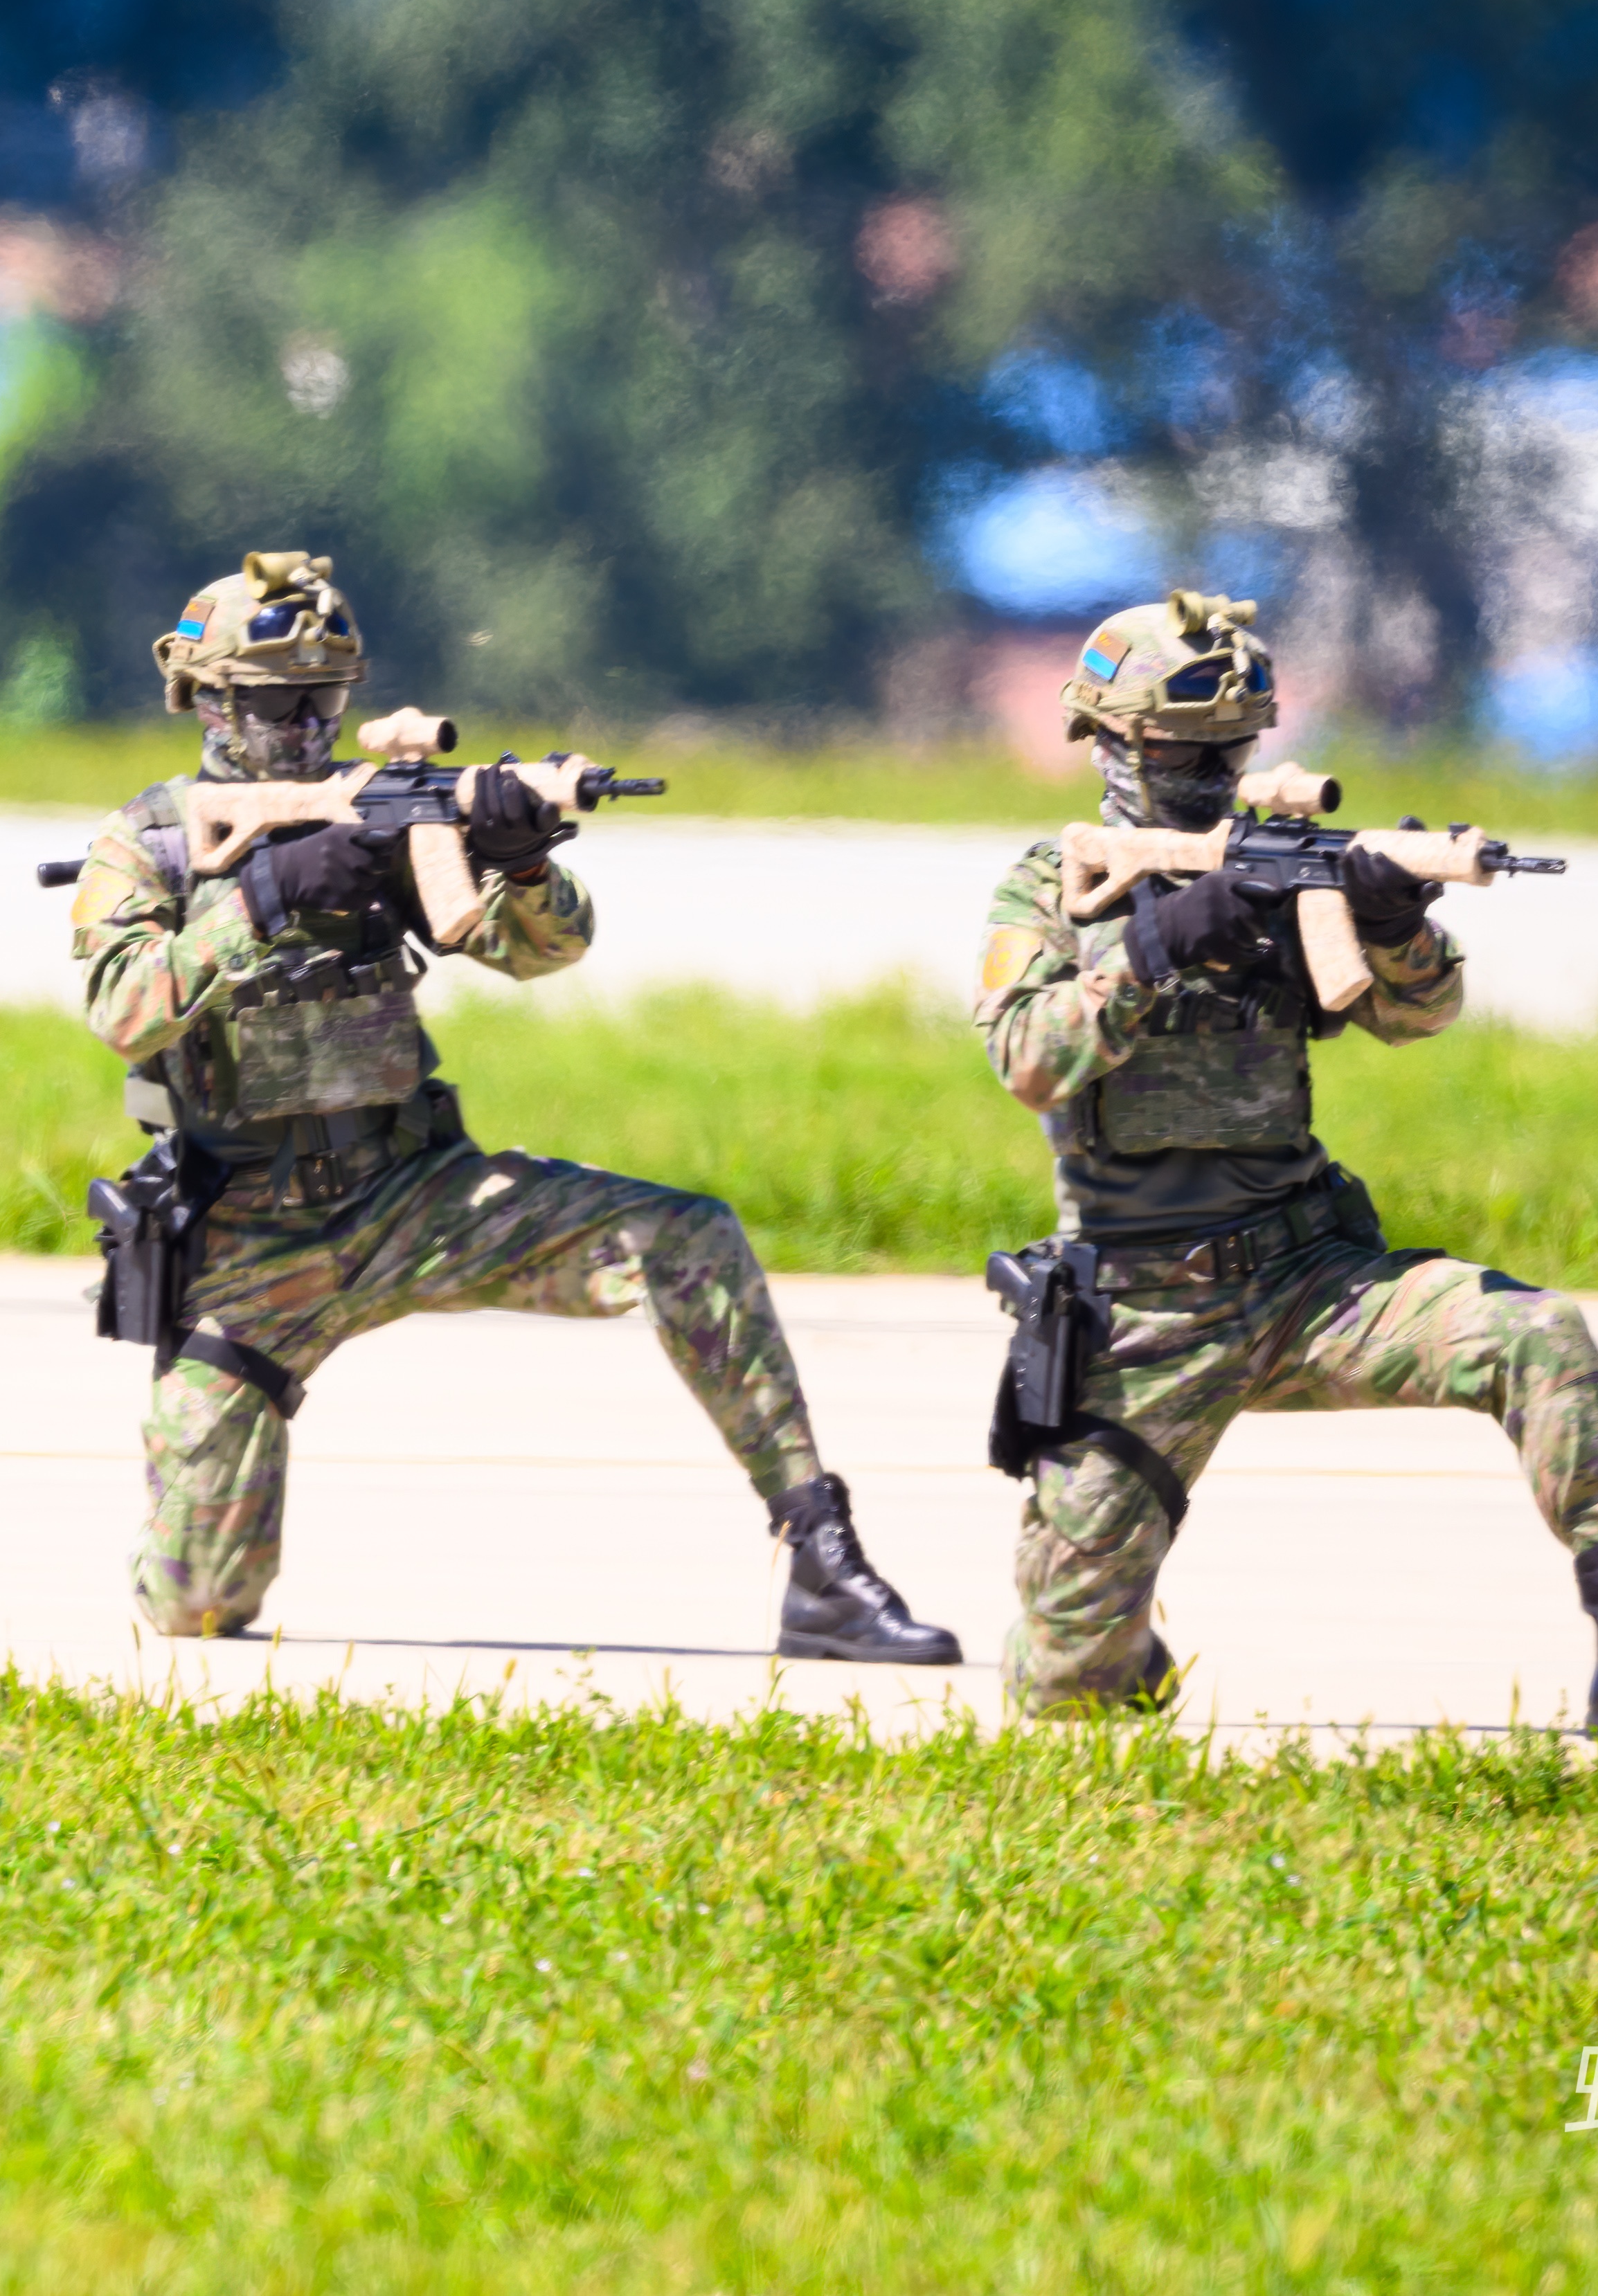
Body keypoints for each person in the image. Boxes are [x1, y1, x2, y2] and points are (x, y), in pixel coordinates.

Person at [68, 550, 955, 1663]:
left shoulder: (380, 811)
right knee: (198, 1605)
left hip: (413, 1192)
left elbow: (544, 953)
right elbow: (120, 1009)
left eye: (324, 700)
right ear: (202, 697)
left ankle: (819, 1556)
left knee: (686, 1237)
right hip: (247, 1241)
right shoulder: (149, 841)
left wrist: (520, 854)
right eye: (272, 702)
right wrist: (266, 894)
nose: (302, 726)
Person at [972, 592, 1598, 1738]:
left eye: (1232, 747)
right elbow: (1029, 1058)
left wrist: (1391, 919)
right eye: (1184, 749)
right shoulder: (1051, 883)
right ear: (1112, 738)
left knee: (1535, 1335)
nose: (1210, 768)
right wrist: (1162, 937)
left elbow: (1418, 1015)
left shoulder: (1280, 865)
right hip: (1141, 1319)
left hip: (1305, 1279)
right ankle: (1116, 1642)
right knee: (1068, 1690)